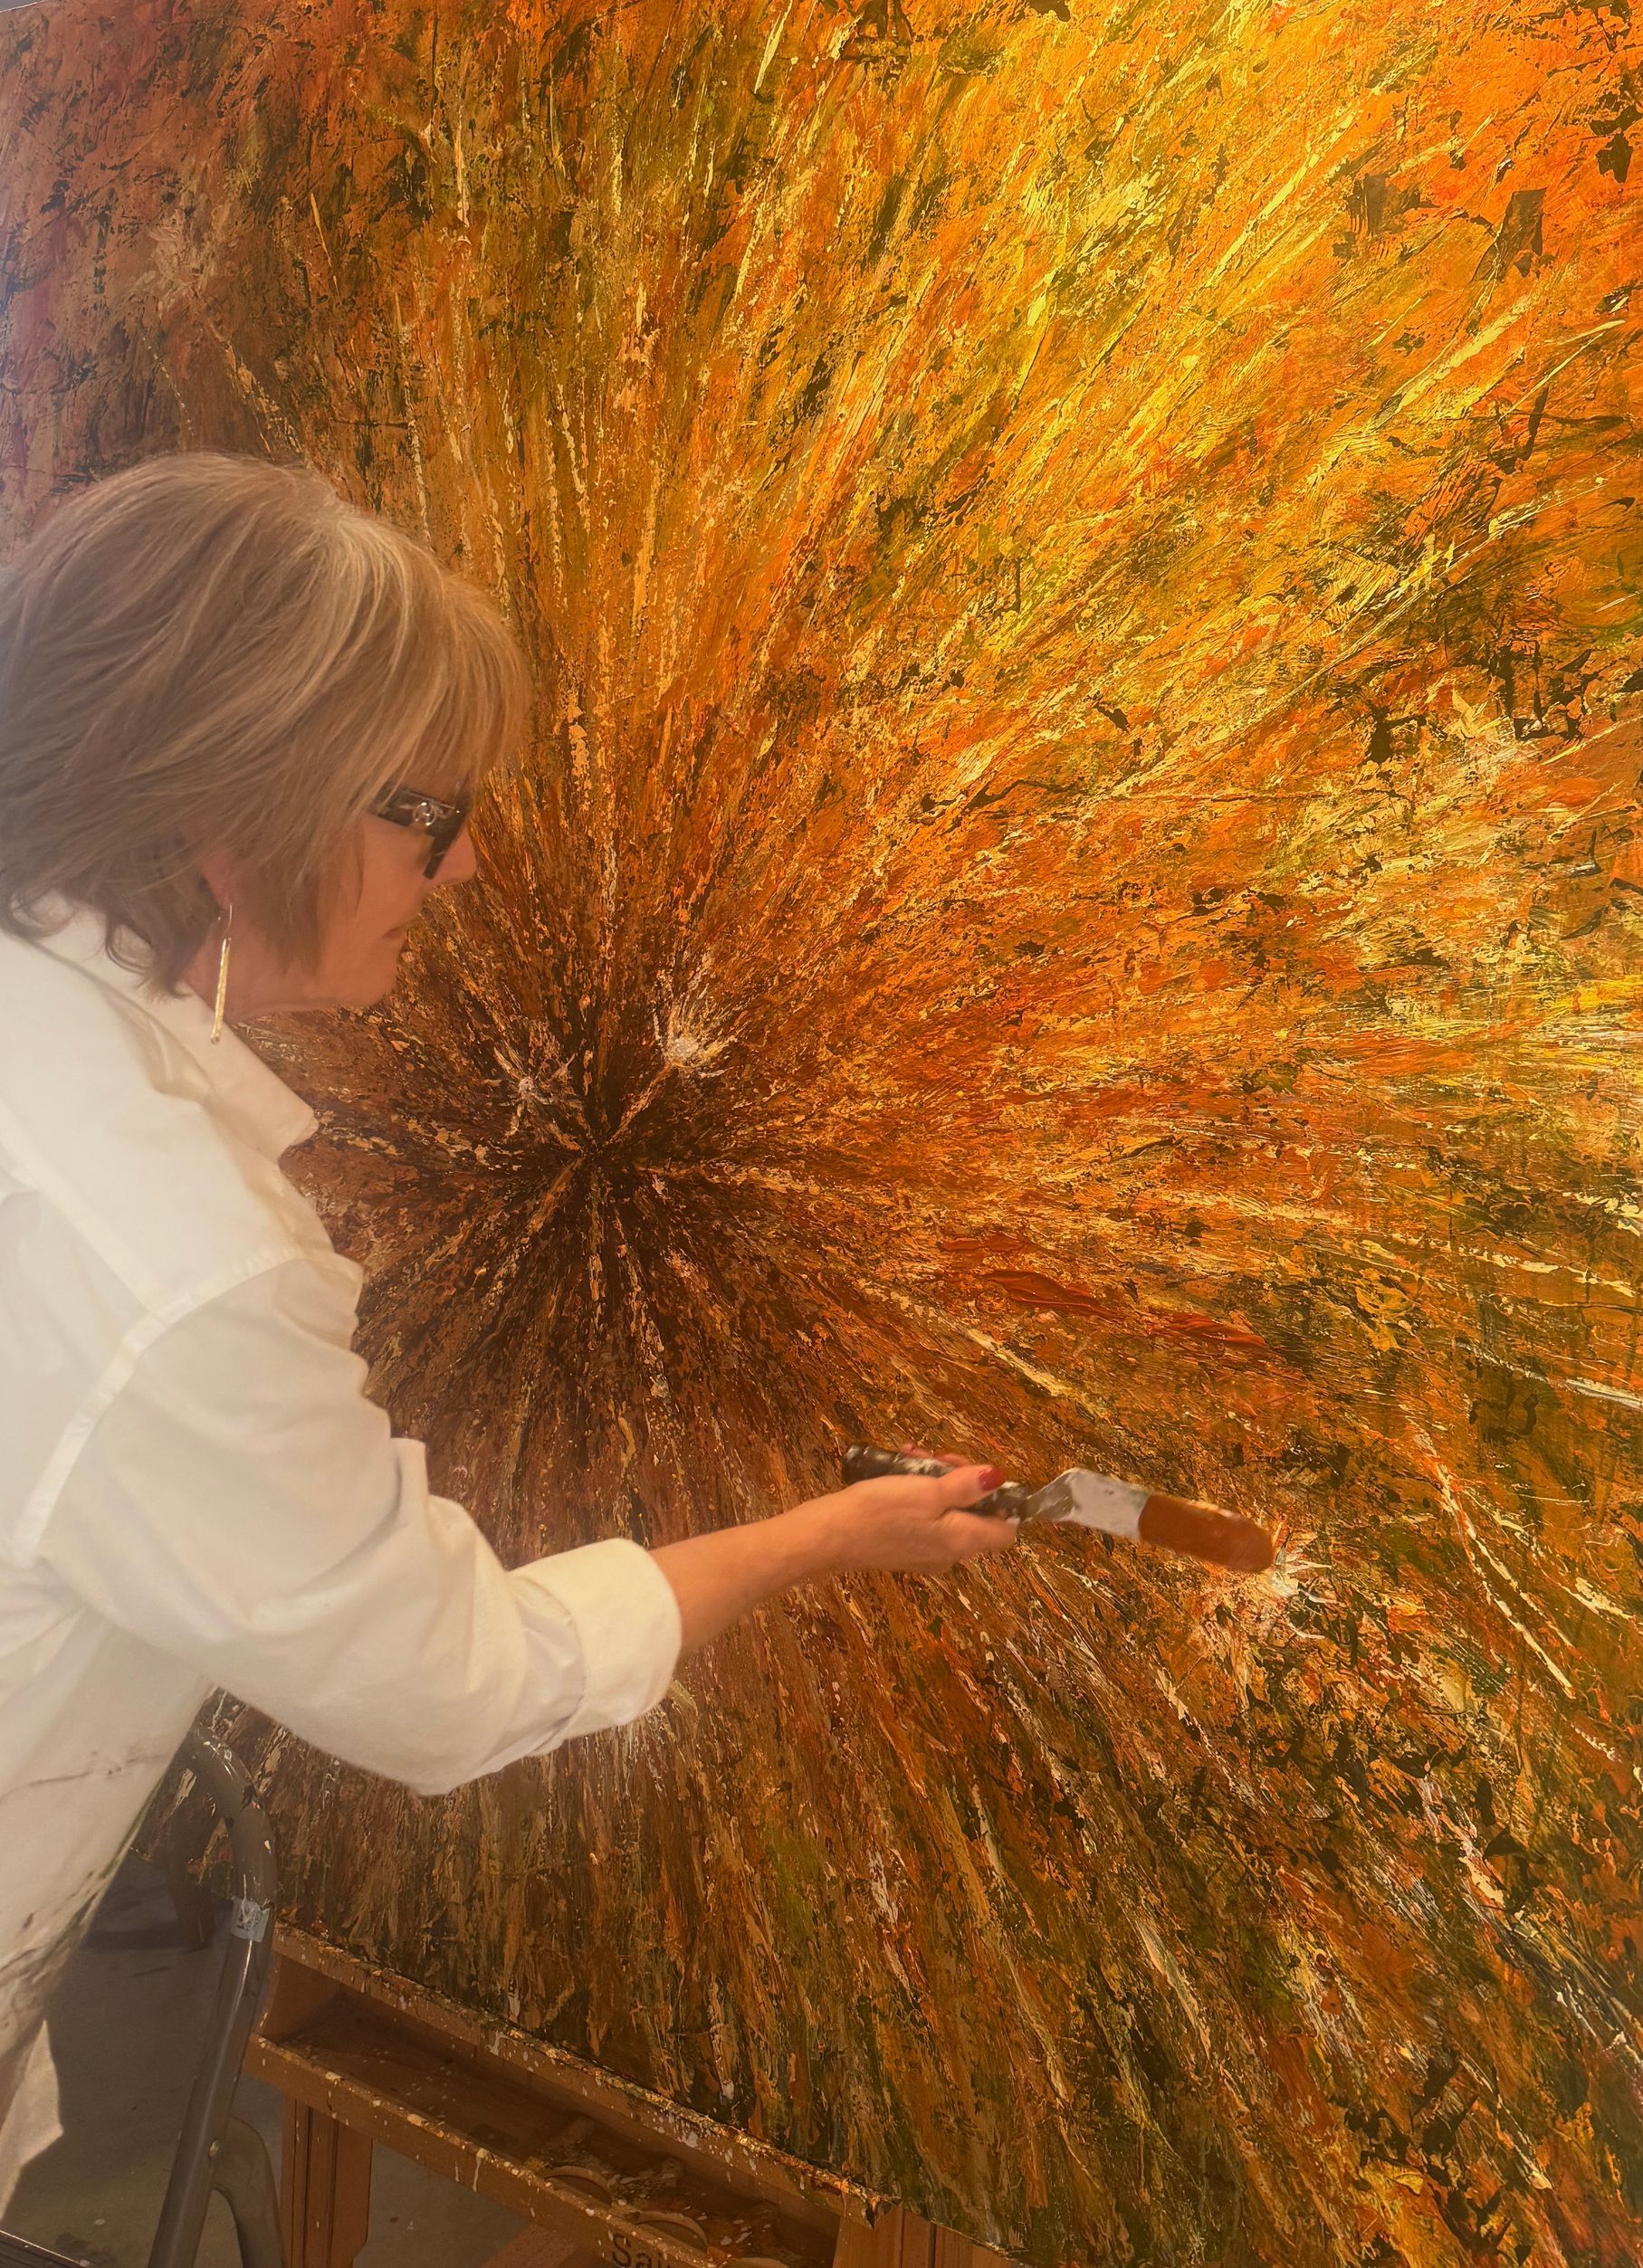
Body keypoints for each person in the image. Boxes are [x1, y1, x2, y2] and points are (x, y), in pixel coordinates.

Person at [0, 453, 1018, 2205]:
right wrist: (828, 1534)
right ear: (233, 819)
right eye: (422, 808)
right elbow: (459, 1681)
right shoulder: (175, 1264)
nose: (464, 863)